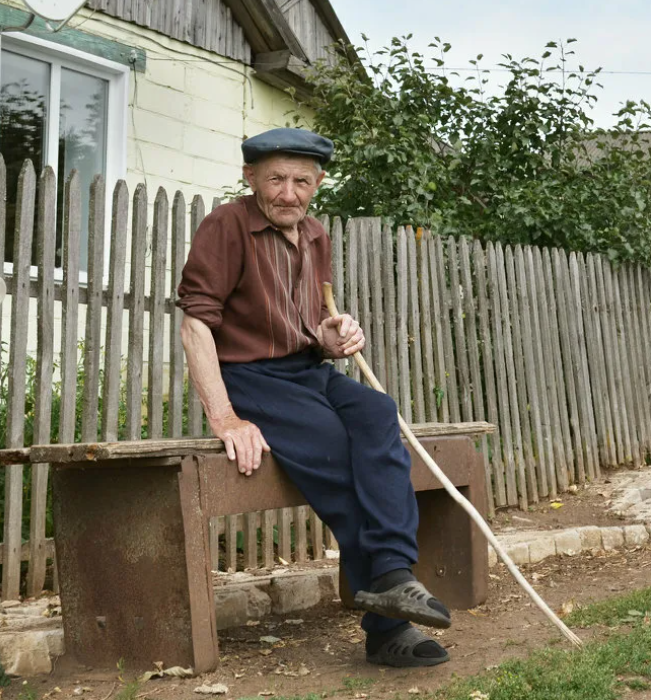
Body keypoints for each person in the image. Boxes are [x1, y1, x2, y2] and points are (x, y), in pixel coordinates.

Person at [177, 128, 451, 668]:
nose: (288, 193)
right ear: (250, 177)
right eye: (275, 179)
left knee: (378, 411)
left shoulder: (316, 236)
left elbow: (308, 332)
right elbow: (195, 326)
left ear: (318, 183)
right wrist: (226, 417)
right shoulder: (227, 226)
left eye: (301, 181)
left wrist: (334, 338)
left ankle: (394, 574)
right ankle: (388, 628)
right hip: (252, 378)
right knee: (339, 457)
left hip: (306, 373)